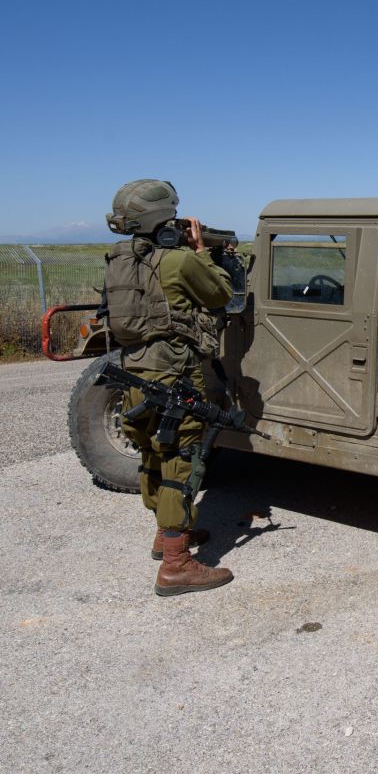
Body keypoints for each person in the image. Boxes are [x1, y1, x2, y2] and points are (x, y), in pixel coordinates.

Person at [102, 179, 235, 596]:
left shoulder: (122, 259)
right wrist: (200, 253)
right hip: (176, 376)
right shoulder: (179, 260)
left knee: (152, 453)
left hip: (136, 372)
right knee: (182, 458)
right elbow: (221, 294)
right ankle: (176, 566)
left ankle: (166, 536)